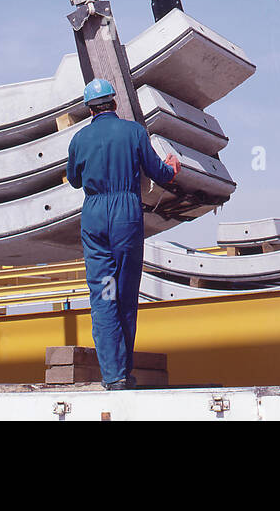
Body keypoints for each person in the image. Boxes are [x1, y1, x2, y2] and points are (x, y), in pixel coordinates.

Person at [66, 79, 181, 390]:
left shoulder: (79, 139)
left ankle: (113, 376)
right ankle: (123, 372)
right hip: (125, 217)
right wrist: (172, 168)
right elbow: (158, 173)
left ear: (90, 108)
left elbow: (74, 180)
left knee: (103, 295)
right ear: (114, 104)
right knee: (126, 294)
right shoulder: (133, 133)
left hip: (94, 218)